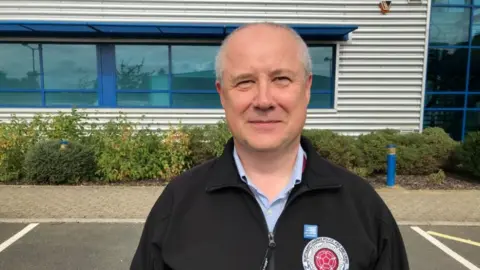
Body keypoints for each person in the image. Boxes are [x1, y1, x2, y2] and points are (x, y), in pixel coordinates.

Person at [130, 22, 409, 270]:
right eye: (245, 82)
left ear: (307, 88)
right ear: (222, 95)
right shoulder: (177, 205)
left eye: (281, 79)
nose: (264, 100)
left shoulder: (364, 209)